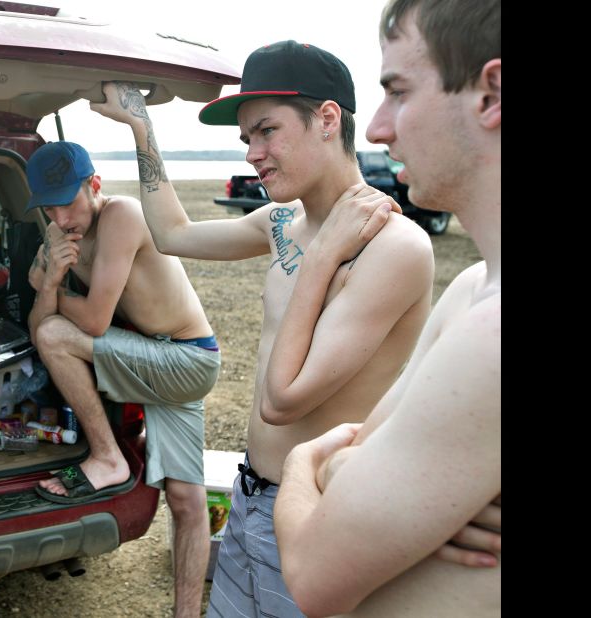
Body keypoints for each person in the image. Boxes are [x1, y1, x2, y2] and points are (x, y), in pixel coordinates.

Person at [90, 39, 438, 617]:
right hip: (251, 498)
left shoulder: (395, 246)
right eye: (247, 138)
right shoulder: (281, 221)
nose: (253, 152)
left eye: (267, 131)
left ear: (327, 119)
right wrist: (141, 129)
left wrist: (323, 254)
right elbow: (174, 234)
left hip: (321, 512)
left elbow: (285, 401)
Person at [273, 1, 501, 615]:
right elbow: (365, 451)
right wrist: (358, 477)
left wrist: (305, 461)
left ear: (492, 93)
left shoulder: (490, 334)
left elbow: (314, 574)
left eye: (398, 91)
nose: (376, 128)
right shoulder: (471, 288)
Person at [25, 140, 221, 618]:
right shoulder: (56, 233)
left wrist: (50, 288)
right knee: (186, 499)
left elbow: (88, 323)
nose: (60, 216)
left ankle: (108, 457)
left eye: (67, 200)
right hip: (153, 355)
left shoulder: (123, 216)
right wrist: (50, 281)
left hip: (187, 358)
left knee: (57, 331)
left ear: (94, 185)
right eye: (48, 206)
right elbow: (36, 315)